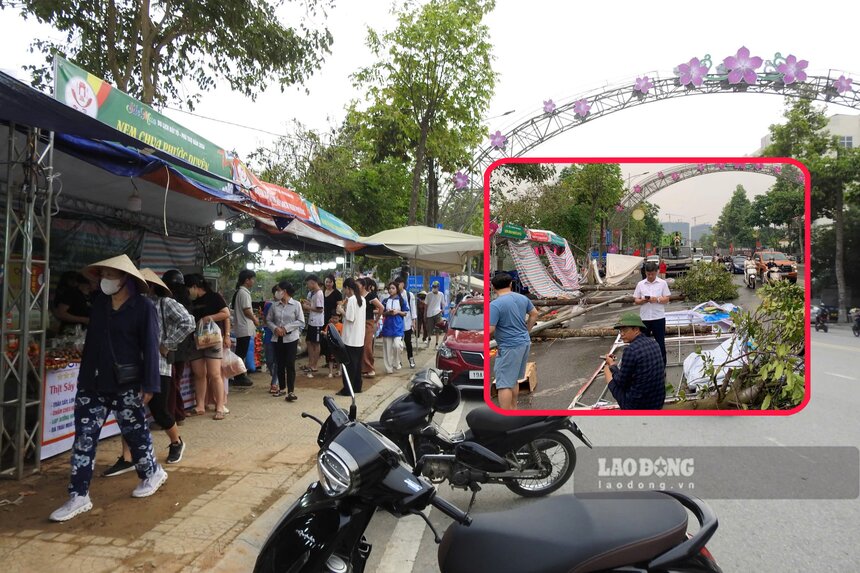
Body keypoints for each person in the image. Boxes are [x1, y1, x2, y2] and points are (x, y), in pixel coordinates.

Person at [49, 255, 165, 522]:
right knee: (84, 438)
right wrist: (83, 377)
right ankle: (78, 495)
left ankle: (151, 473)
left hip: (127, 382)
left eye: (110, 275)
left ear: (125, 279)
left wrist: (150, 383)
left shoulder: (143, 307)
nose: (104, 280)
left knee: (135, 433)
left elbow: (150, 345)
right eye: (102, 275)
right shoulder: (99, 303)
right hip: (93, 383)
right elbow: (92, 342)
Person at [102, 269, 196, 477]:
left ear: (150, 286)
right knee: (128, 410)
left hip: (158, 366)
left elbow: (189, 322)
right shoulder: (125, 306)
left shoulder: (163, 303)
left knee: (160, 410)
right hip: (130, 367)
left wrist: (168, 343)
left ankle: (176, 442)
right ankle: (127, 457)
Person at [488, 272, 539, 410]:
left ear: (493, 287)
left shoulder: (495, 305)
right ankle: (513, 408)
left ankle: (505, 414)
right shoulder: (522, 298)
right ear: (510, 284)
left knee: (503, 383)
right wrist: (527, 330)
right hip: (524, 342)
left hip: (509, 346)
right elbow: (534, 314)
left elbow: (490, 329)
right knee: (513, 379)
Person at [184, 274, 231, 420]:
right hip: (196, 340)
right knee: (199, 373)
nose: (187, 292)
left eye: (187, 289)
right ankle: (200, 405)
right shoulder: (191, 301)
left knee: (214, 374)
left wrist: (209, 319)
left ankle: (220, 406)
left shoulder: (214, 297)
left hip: (213, 339)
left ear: (194, 287)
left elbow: (226, 314)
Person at [601, 312, 666, 410]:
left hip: (637, 406)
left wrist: (611, 364)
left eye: (625, 330)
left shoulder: (630, 350)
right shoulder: (654, 343)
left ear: (636, 329)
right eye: (620, 331)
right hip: (658, 401)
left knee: (607, 371)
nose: (622, 334)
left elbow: (621, 382)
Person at [161, 270, 193, 425]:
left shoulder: (169, 300)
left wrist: (168, 343)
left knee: (171, 384)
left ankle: (173, 416)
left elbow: (188, 323)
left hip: (172, 348)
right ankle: (177, 414)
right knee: (175, 382)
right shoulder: (186, 298)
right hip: (182, 346)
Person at [266, 281, 305, 402]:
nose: (277, 292)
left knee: (290, 364)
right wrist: (276, 328)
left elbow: (301, 321)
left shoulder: (296, 304)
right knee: (279, 364)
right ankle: (282, 388)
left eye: (279, 290)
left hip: (291, 338)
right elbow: (268, 320)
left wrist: (286, 328)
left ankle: (291, 391)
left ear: (285, 291)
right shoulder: (274, 305)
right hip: (277, 338)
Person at [633, 261, 671, 367]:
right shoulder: (640, 284)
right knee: (644, 344)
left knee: (660, 343)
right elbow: (636, 299)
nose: (650, 276)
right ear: (645, 272)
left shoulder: (662, 283)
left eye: (652, 274)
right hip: (644, 318)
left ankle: (661, 366)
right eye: (648, 274)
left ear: (656, 272)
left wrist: (657, 299)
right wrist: (642, 301)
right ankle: (645, 366)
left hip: (658, 317)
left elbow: (667, 298)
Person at [339, 277, 366, 395]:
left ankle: (347, 389)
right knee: (357, 365)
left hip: (350, 338)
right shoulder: (362, 300)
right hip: (359, 337)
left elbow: (350, 318)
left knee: (348, 365)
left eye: (344, 289)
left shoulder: (351, 300)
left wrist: (341, 310)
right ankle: (357, 386)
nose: (344, 291)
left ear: (348, 289)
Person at [230, 269, 258, 387]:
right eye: (253, 279)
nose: (254, 282)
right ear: (247, 280)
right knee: (241, 352)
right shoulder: (244, 293)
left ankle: (239, 374)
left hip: (242, 326)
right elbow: (247, 310)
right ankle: (239, 375)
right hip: (244, 327)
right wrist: (255, 319)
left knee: (241, 352)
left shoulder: (240, 292)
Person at [381, 282, 408, 374]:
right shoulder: (385, 301)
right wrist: (388, 313)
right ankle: (389, 368)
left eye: (392, 288)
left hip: (398, 326)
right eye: (389, 288)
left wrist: (397, 312)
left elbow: (405, 312)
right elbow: (382, 312)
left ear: (396, 289)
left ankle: (396, 362)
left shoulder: (401, 300)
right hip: (387, 326)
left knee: (397, 345)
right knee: (387, 349)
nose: (390, 290)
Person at [359, 278, 384, 377]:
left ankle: (369, 368)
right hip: (359, 323)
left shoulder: (371, 296)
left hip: (368, 322)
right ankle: (362, 368)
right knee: (360, 346)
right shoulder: (357, 296)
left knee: (367, 346)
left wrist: (376, 320)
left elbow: (381, 308)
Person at [302, 274, 325, 378]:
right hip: (312, 321)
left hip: (317, 322)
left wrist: (308, 307)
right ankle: (311, 363)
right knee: (309, 341)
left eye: (308, 284)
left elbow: (320, 309)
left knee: (316, 343)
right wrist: (308, 303)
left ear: (313, 282)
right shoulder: (312, 293)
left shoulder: (319, 293)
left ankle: (314, 365)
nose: (308, 286)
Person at [320, 274, 342, 376]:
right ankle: (328, 360)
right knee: (323, 340)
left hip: (332, 318)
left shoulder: (337, 293)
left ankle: (335, 362)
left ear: (333, 282)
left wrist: (334, 318)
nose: (328, 284)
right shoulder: (322, 292)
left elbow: (339, 305)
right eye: (326, 282)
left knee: (333, 340)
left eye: (330, 282)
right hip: (322, 318)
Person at [396, 277, 418, 368]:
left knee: (408, 342)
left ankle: (411, 358)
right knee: (398, 343)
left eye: (399, 284)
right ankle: (398, 361)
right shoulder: (395, 295)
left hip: (407, 322)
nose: (397, 286)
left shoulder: (409, 295)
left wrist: (414, 322)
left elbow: (413, 309)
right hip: (397, 323)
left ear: (403, 284)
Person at [262, 285, 280, 394]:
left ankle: (274, 382)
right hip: (269, 334)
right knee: (269, 360)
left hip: (280, 336)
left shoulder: (287, 305)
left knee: (277, 360)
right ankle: (275, 376)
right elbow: (265, 319)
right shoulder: (268, 304)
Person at [424, 281, 445, 348]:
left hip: (437, 313)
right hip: (429, 314)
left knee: (437, 329)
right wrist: (425, 315)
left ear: (438, 287)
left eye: (435, 287)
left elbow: (443, 303)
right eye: (433, 287)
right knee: (429, 330)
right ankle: (429, 340)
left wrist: (443, 310)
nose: (434, 288)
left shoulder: (441, 294)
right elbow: (426, 305)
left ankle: (436, 344)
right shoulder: (428, 295)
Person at [326, 311, 343, 378]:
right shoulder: (329, 325)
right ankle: (330, 372)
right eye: (333, 318)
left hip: (338, 345)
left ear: (339, 318)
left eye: (336, 318)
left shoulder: (341, 326)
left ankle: (338, 370)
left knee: (338, 359)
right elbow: (326, 333)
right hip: (331, 345)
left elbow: (342, 335)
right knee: (330, 359)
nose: (334, 320)